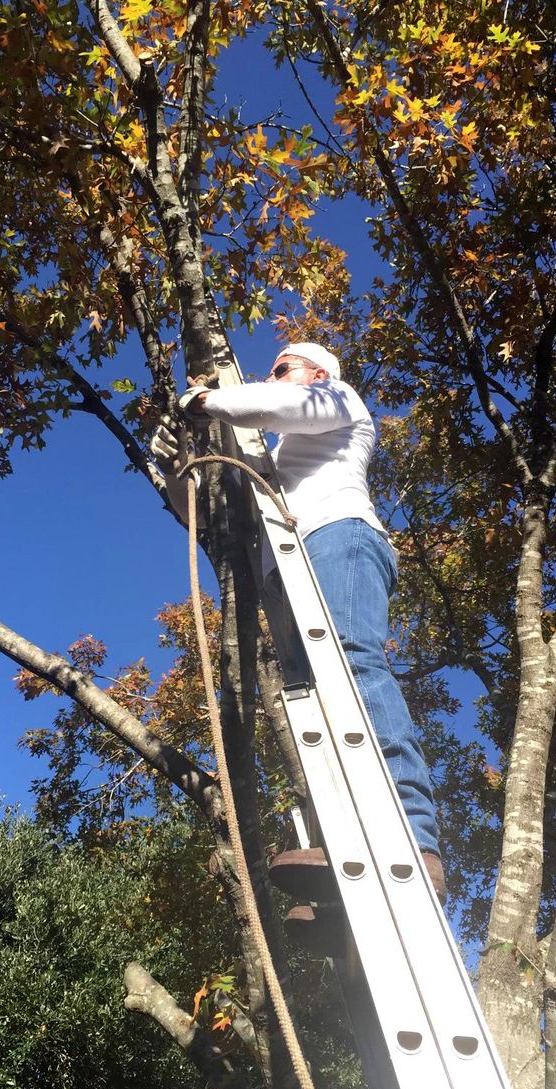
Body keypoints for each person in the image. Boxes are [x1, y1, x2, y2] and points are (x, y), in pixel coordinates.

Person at [150, 343, 445, 937]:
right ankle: (344, 867)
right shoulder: (272, 461)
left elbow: (285, 404)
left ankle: (415, 839)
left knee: (353, 665)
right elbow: (207, 517)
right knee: (313, 702)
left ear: (318, 372)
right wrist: (174, 463)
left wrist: (204, 400)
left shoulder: (336, 401)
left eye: (283, 367)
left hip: (337, 538)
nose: (272, 374)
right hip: (286, 571)